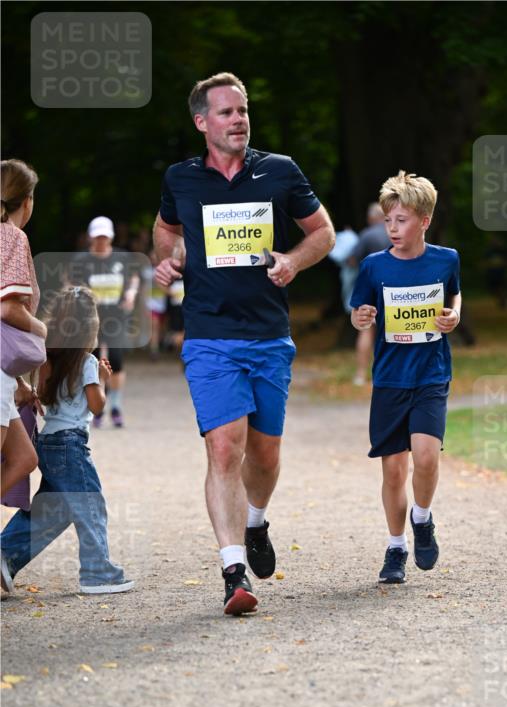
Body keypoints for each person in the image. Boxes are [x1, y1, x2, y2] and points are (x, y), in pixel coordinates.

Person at [152, 71, 334, 615]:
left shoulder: (278, 171)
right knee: (225, 446)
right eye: (227, 113)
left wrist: (292, 260)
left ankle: (256, 519)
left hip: (269, 335)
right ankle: (233, 572)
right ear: (202, 122)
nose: (239, 120)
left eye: (243, 110)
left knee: (265, 453)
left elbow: (321, 232)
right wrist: (171, 257)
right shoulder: (181, 179)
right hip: (209, 334)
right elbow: (165, 229)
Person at [350, 171, 461, 585]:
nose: (393, 229)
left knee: (427, 458)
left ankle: (423, 518)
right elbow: (358, 310)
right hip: (390, 380)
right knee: (394, 471)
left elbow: (454, 294)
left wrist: (455, 314)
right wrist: (360, 318)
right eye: (388, 221)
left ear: (424, 221)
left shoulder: (446, 259)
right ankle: (395, 547)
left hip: (431, 374)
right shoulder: (373, 266)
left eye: (402, 220)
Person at [0, 287, 134, 596]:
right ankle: (97, 573)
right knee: (91, 506)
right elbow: (97, 406)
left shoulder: (47, 358)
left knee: (53, 510)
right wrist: (102, 378)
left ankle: (5, 554)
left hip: (46, 442)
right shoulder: (87, 362)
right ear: (90, 327)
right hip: (71, 445)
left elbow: (44, 396)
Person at [1, 159, 46, 511]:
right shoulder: (12, 236)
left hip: (4, 372)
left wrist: (17, 384)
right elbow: (8, 310)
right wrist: (45, 330)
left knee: (23, 458)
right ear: (27, 201)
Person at [70, 216, 140, 428]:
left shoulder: (122, 257)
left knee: (116, 360)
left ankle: (116, 406)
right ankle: (96, 406)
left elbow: (134, 278)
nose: (101, 241)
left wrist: (131, 294)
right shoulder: (81, 261)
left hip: (116, 316)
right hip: (91, 319)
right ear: (91, 236)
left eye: (105, 237)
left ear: (110, 237)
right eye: (98, 237)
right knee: (92, 362)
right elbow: (70, 282)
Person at [350, 203, 392, 385]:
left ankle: (360, 374)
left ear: (370, 218)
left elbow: (351, 260)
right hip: (396, 289)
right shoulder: (396, 233)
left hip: (372, 290)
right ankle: (387, 373)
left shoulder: (366, 235)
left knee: (366, 330)